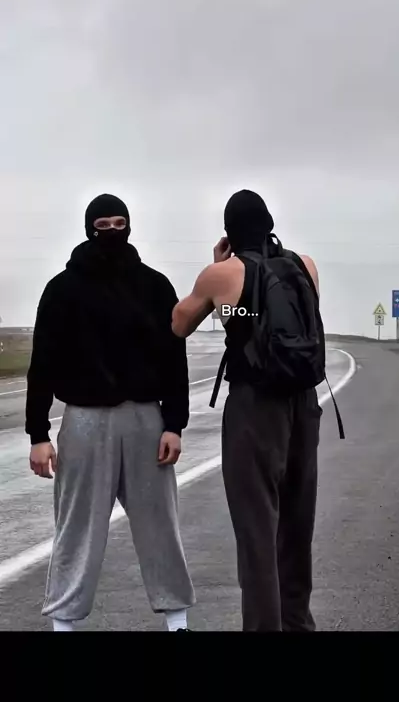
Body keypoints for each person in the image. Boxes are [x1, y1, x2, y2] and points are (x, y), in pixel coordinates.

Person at [27, 193, 195, 631]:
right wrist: (38, 434)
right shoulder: (62, 289)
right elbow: (42, 364)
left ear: (130, 225)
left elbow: (174, 360)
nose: (112, 232)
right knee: (77, 528)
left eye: (120, 223)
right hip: (84, 421)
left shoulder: (154, 286)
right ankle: (64, 624)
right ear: (89, 229)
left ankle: (178, 622)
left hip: (146, 419)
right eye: (103, 226)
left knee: (160, 525)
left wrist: (174, 424)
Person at [172, 189, 324, 631]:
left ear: (229, 233)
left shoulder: (222, 273)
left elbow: (179, 324)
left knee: (258, 533)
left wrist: (218, 270)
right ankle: (298, 624)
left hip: (255, 408)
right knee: (296, 527)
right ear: (269, 225)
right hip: (304, 403)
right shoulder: (305, 266)